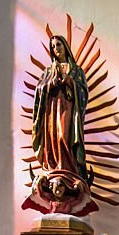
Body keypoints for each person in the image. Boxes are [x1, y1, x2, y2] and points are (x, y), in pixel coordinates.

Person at [24, 33, 97, 216]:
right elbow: (40, 90)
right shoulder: (49, 71)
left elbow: (83, 92)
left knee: (65, 137)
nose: (56, 49)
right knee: (55, 138)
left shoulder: (76, 70)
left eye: (59, 45)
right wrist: (50, 85)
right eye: (53, 46)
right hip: (52, 112)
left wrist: (70, 83)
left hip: (68, 110)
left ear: (65, 47)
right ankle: (55, 167)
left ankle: (70, 168)